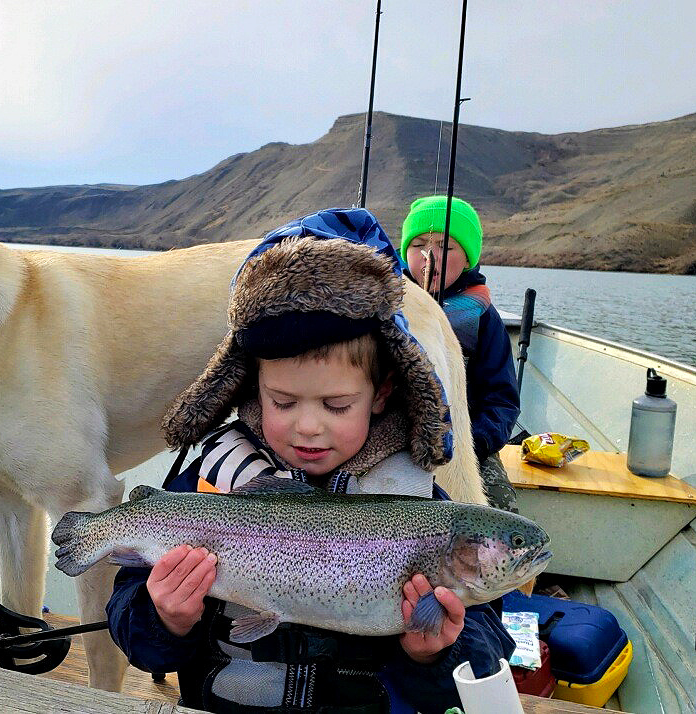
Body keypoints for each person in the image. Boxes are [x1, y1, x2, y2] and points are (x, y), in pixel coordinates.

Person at [107, 208, 515, 714]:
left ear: (384, 391)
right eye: (283, 402)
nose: (308, 426)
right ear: (249, 386)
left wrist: (430, 655)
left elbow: (481, 656)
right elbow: (139, 638)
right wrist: (166, 618)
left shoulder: (424, 506)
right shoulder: (209, 480)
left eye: (337, 406)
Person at [399, 196, 521, 513]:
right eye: (419, 245)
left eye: (446, 246)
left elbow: (502, 400)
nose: (430, 257)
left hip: (468, 446)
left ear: (468, 257)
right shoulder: (387, 305)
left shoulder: (484, 320)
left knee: (500, 508)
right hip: (395, 442)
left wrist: (473, 442)